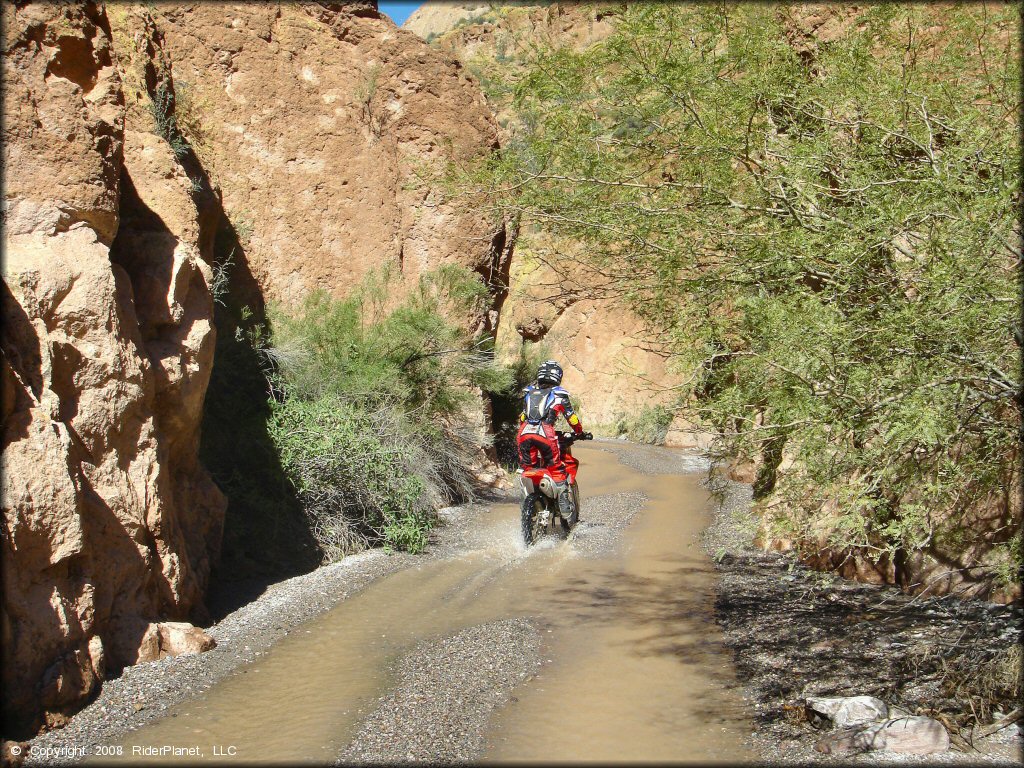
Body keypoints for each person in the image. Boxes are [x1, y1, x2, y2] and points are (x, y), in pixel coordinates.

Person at [516, 360, 591, 519]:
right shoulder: (559, 394)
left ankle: (529, 506)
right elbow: (572, 418)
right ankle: (565, 509)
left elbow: (523, 417)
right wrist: (580, 432)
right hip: (545, 433)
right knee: (557, 470)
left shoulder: (529, 392)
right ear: (558, 375)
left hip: (524, 433)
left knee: (528, 469)